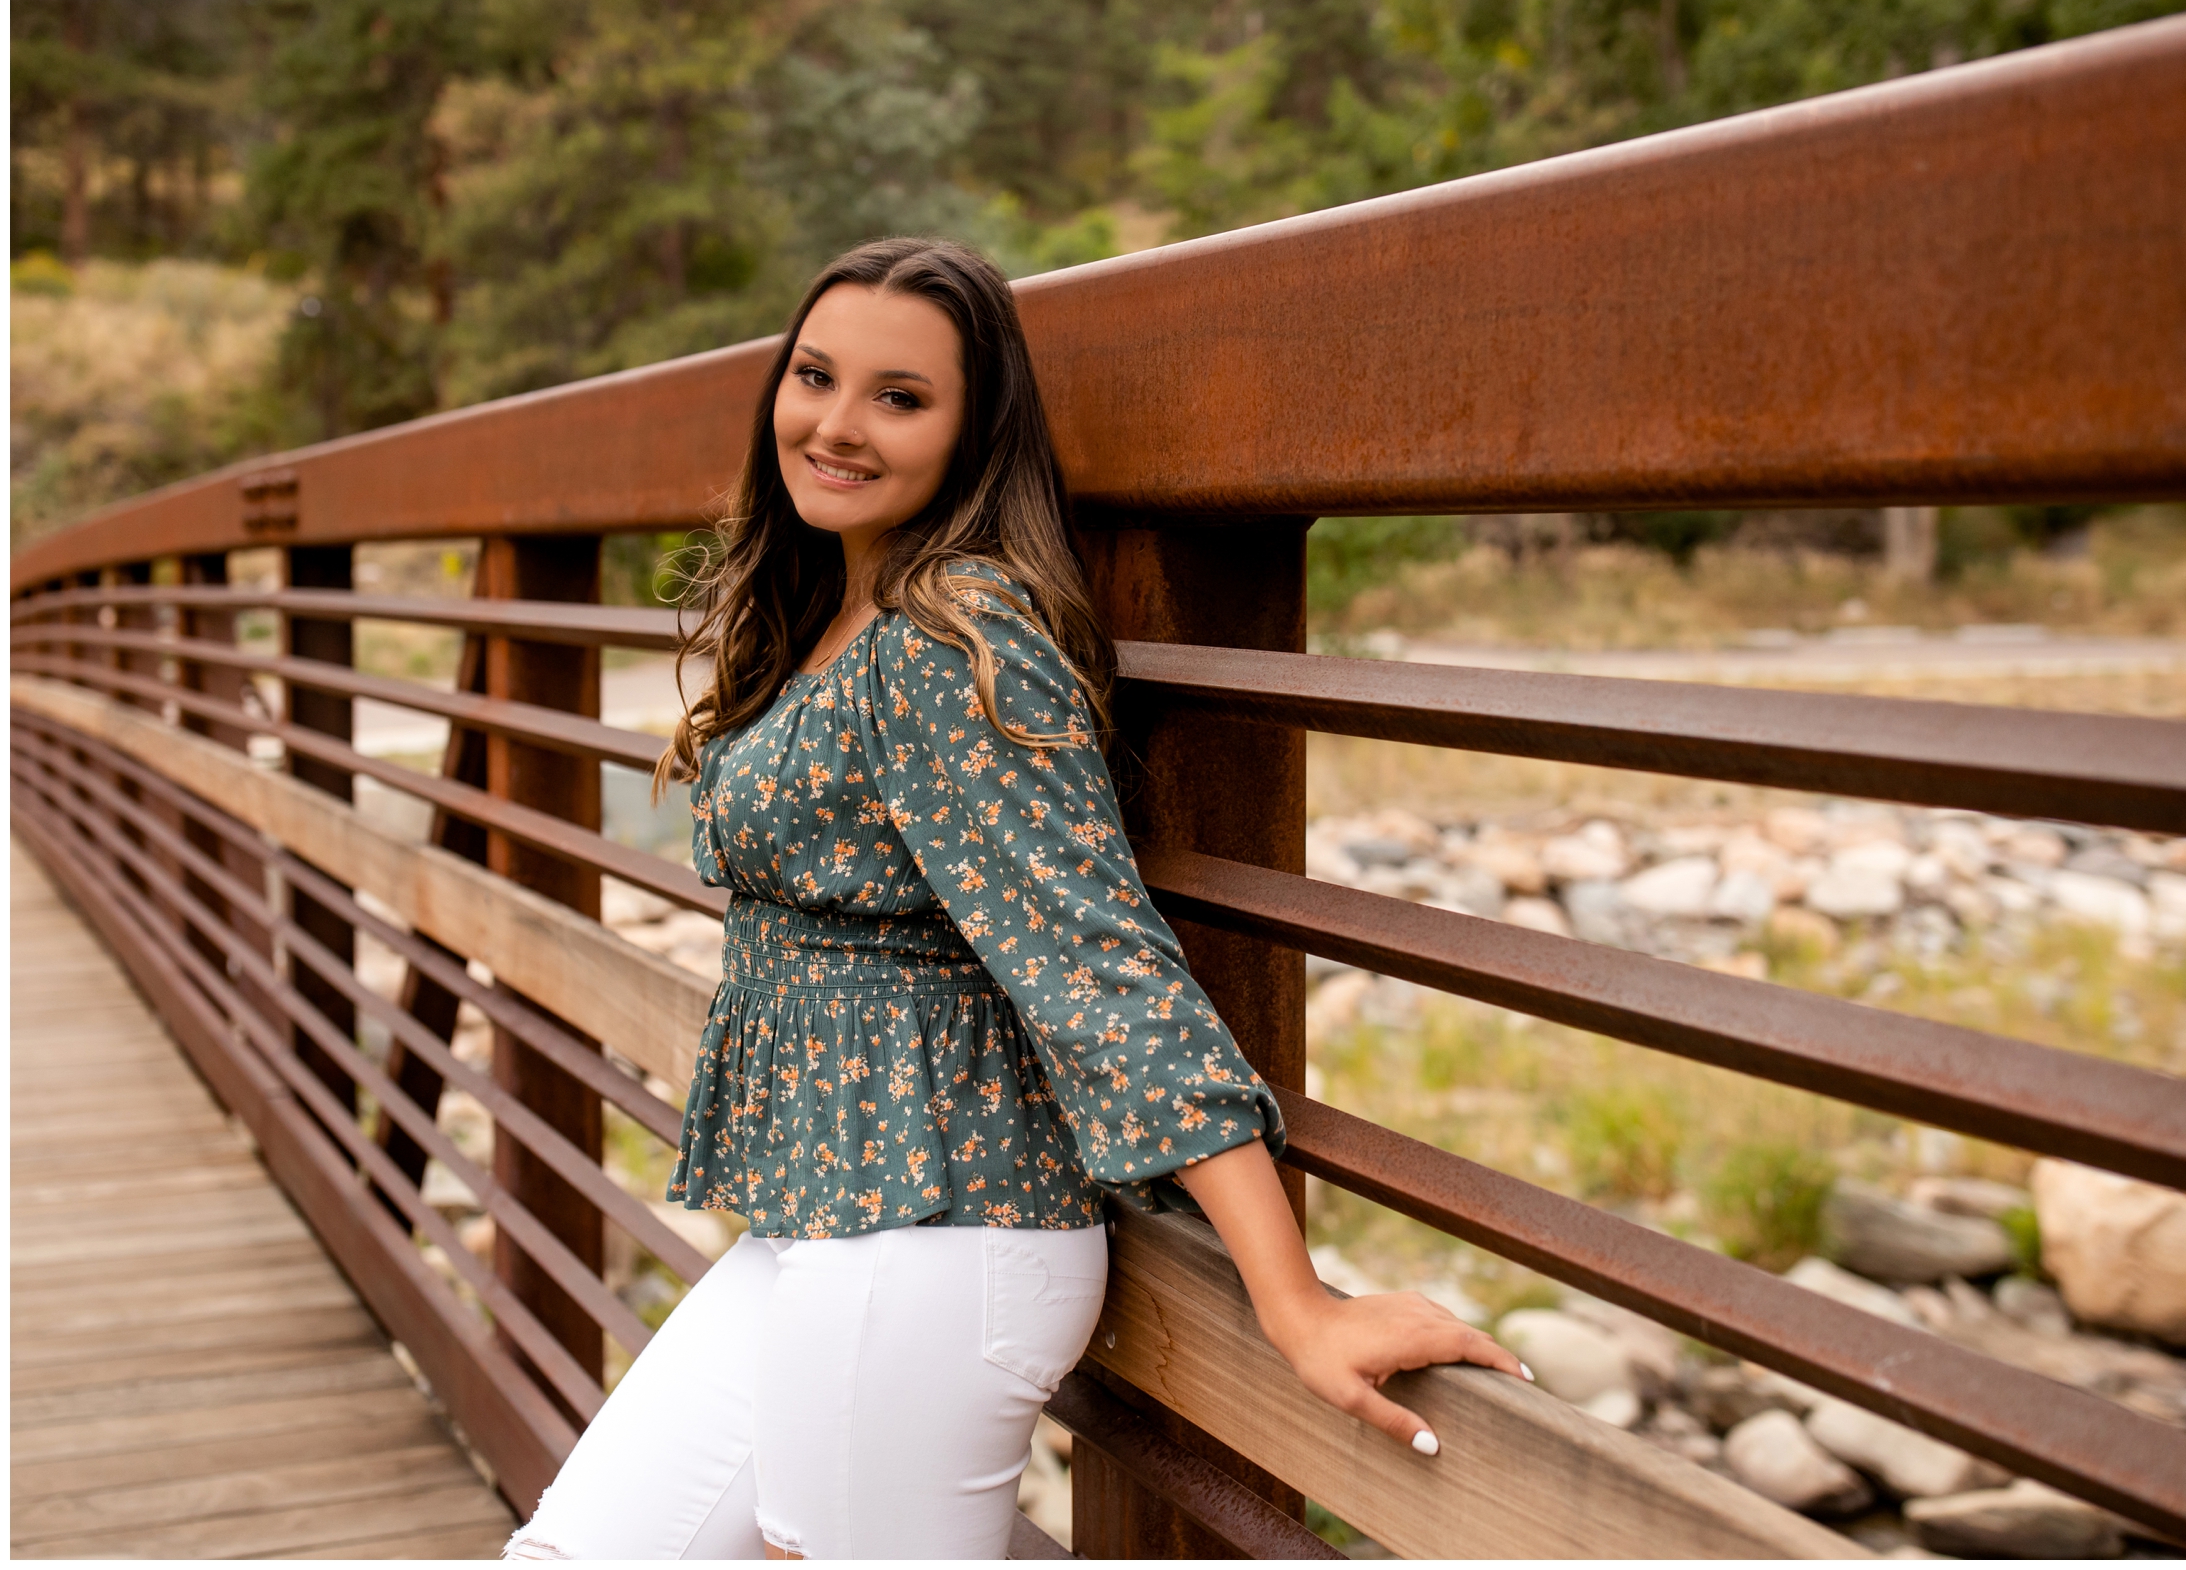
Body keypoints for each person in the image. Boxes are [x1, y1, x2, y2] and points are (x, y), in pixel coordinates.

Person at [502, 238, 1526, 1561]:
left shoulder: (952, 642)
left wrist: (1296, 1299)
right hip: (839, 1220)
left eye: (900, 397)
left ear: (976, 433)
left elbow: (1099, 965)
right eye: (815, 377)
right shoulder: (833, 609)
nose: (837, 424)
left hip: (939, 1246)